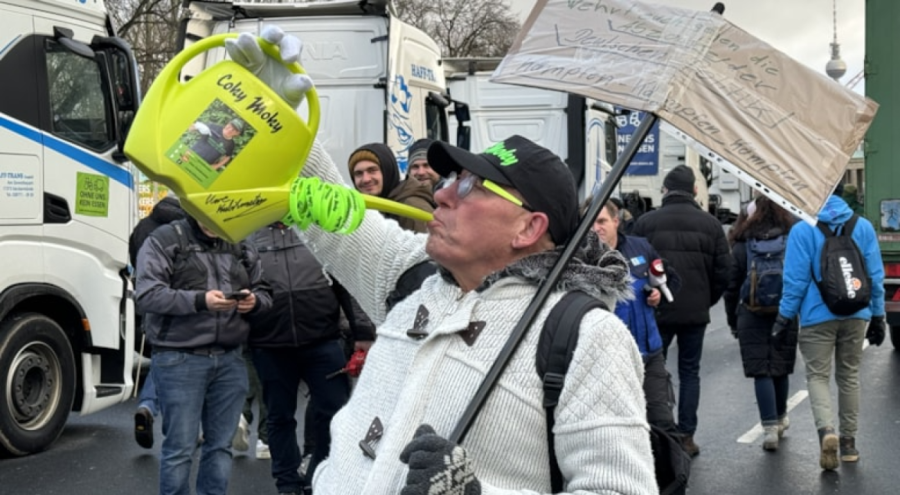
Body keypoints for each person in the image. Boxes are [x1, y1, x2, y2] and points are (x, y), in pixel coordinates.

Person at [228, 28, 656, 494]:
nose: (442, 191)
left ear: (528, 228)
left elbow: (621, 488)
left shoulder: (586, 335)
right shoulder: (413, 276)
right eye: (453, 177)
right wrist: (272, 113)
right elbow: (327, 213)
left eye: (472, 185)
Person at [134, 214, 272, 495]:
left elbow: (265, 291)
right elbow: (147, 294)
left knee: (220, 447)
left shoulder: (242, 242)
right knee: (179, 449)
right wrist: (200, 300)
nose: (212, 218)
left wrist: (255, 302)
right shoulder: (164, 239)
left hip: (230, 358)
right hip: (178, 358)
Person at [246, 222, 375, 495]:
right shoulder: (248, 235)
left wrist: (362, 331)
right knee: (279, 417)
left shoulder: (318, 231)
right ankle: (288, 485)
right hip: (270, 344)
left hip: (323, 340)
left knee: (334, 413)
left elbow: (347, 282)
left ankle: (321, 476)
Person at [775, 184, 885, 470]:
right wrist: (878, 315)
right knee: (849, 376)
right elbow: (874, 275)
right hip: (856, 313)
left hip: (815, 316)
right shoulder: (862, 227)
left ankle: (827, 432)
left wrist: (784, 318)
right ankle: (849, 444)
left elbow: (796, 280)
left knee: (818, 376)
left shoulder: (802, 230)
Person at [631, 164, 732, 457]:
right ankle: (686, 435)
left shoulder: (646, 223)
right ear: (695, 191)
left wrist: (649, 296)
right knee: (690, 372)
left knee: (652, 370)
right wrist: (706, 300)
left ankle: (658, 433)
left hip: (655, 310)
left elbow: (633, 265)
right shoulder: (710, 225)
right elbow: (723, 272)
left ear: (665, 190)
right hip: (694, 312)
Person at [588, 199, 679, 435]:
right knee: (623, 429)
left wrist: (656, 294)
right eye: (590, 222)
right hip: (610, 360)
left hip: (650, 353)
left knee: (662, 422)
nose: (596, 228)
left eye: (601, 221)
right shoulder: (581, 260)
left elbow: (665, 279)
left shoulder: (641, 248)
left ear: (616, 222)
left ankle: (667, 471)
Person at [723, 196, 798, 451]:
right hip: (785, 310)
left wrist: (733, 319)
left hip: (751, 311)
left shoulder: (743, 245)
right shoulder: (790, 241)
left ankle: (769, 430)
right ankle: (781, 417)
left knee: (761, 370)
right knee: (780, 365)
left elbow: (731, 286)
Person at [128, 195, 185, 450]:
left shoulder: (142, 226)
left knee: (162, 356)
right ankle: (179, 426)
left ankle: (148, 405)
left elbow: (133, 257)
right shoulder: (178, 229)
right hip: (177, 301)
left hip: (149, 301)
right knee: (186, 360)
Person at [348, 142, 435, 232]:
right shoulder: (371, 206)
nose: (366, 179)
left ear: (388, 171)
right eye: (358, 174)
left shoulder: (412, 207)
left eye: (372, 170)